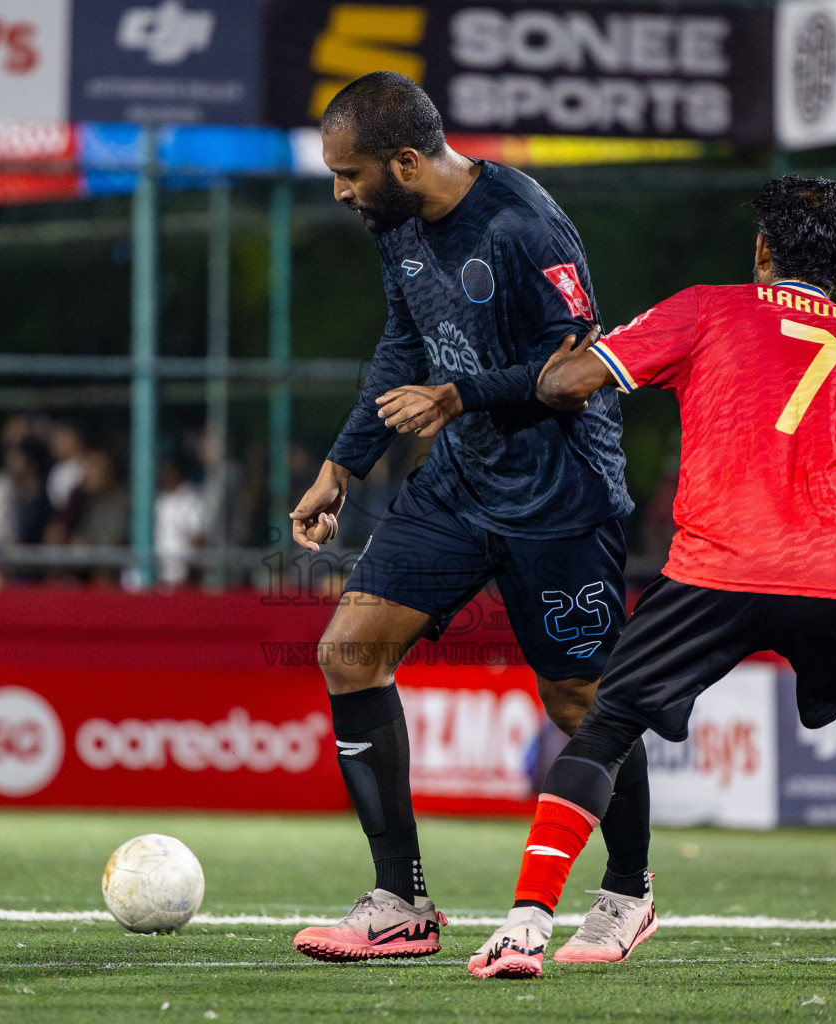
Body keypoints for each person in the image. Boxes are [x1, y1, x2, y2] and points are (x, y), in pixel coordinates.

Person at [468, 176, 836, 980]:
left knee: (606, 726)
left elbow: (567, 386)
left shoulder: (707, 308)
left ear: (763, 249)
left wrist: (563, 360)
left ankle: (527, 927)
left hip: (716, 568)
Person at [288, 71, 653, 965]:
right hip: (459, 483)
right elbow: (403, 343)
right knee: (349, 652)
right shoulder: (398, 223)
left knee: (580, 701)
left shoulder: (526, 226)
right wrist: (342, 465)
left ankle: (627, 891)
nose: (340, 193)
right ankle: (400, 902)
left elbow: (575, 375)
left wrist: (459, 396)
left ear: (406, 161)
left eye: (349, 174)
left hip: (559, 495)